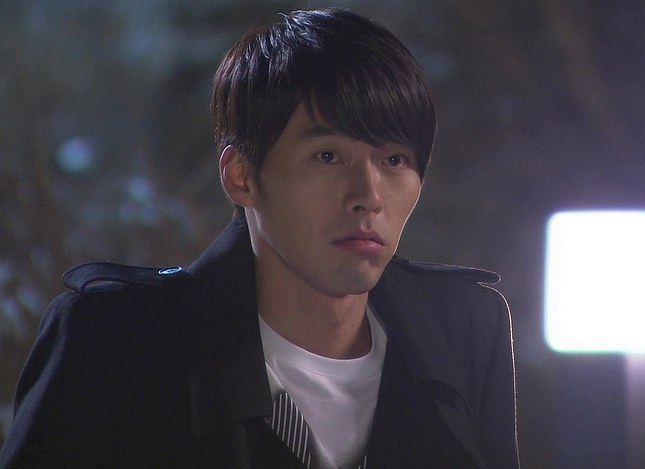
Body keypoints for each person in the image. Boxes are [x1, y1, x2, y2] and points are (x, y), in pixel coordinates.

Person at [0, 8, 518, 468]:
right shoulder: (117, 340)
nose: (368, 196)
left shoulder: (460, 330)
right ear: (242, 176)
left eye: (394, 160)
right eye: (328, 156)